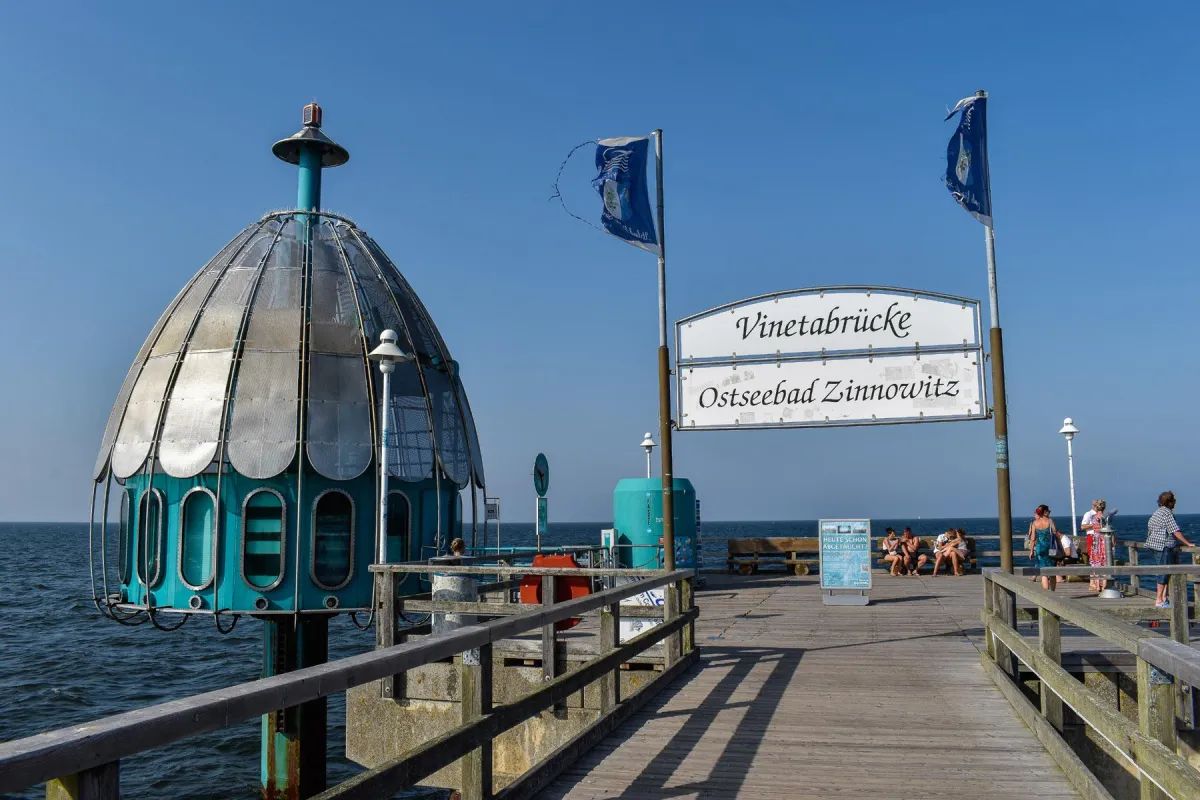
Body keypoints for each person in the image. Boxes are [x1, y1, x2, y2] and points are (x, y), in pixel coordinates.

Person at [1146, 491, 1193, 609]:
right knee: (1163, 573)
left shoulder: (1157, 513)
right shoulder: (1167, 513)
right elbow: (1175, 530)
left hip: (1154, 545)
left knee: (1164, 572)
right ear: (1170, 502)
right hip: (1164, 546)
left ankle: (1164, 598)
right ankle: (1159, 600)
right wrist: (1187, 543)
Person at [1027, 505, 1060, 591]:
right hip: (1050, 548)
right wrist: (1060, 547)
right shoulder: (1050, 521)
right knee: (1052, 572)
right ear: (1044, 512)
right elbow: (1056, 533)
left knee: (1044, 573)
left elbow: (1033, 539)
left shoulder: (1034, 523)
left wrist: (1031, 551)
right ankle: (1052, 593)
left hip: (1039, 548)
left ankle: (1046, 594)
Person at [1081, 499, 1108, 592]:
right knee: (1103, 562)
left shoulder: (1093, 517)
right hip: (1100, 539)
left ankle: (1096, 585)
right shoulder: (1103, 517)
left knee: (1095, 562)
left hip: (1095, 539)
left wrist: (1095, 526)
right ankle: (1101, 585)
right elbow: (1083, 526)